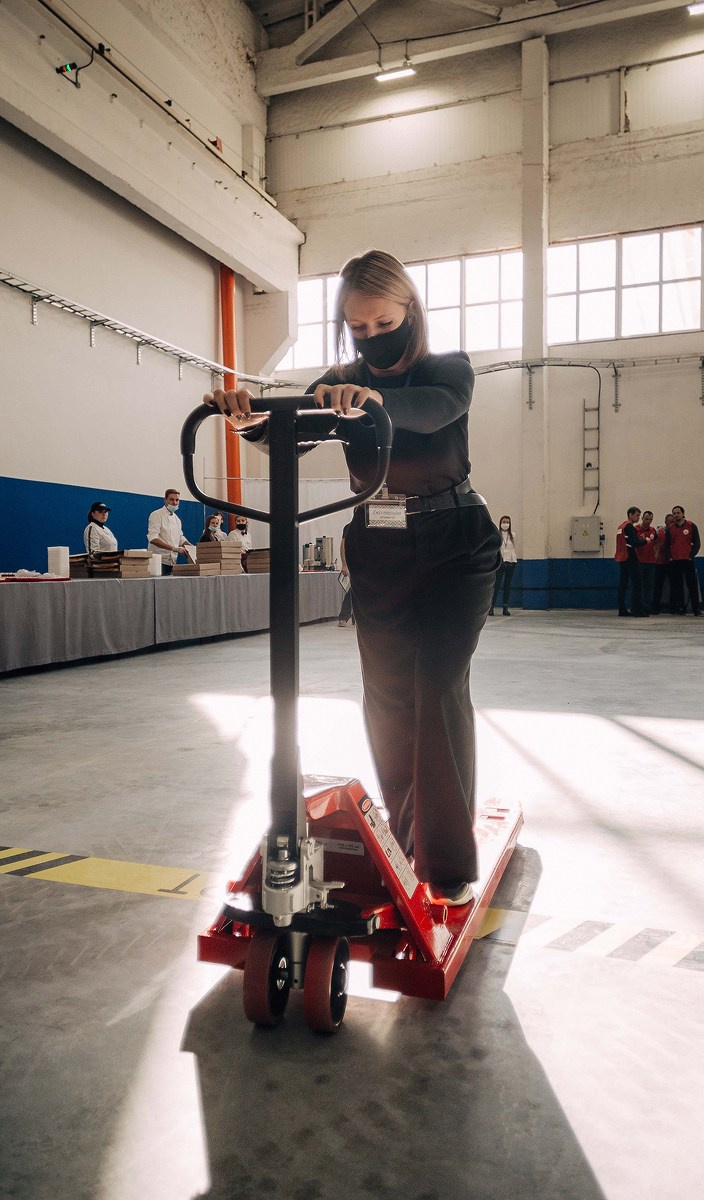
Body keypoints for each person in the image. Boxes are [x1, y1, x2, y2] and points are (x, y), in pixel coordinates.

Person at [206, 249, 500, 907]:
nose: (370, 338)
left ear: (409, 312)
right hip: (378, 545)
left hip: (457, 543)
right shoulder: (337, 379)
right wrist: (248, 416)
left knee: (438, 683)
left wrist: (369, 400)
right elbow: (290, 435)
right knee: (389, 692)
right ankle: (405, 834)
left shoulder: (446, 370)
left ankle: (447, 863)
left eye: (382, 322)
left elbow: (428, 410)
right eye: (357, 327)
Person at [666, 504, 702, 616]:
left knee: (692, 585)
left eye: (678, 513)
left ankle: (696, 609)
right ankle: (681, 608)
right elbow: (666, 545)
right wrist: (670, 557)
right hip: (675, 561)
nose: (676, 515)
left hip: (688, 560)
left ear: (683, 513)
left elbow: (697, 543)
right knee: (678, 586)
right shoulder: (670, 528)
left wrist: (692, 555)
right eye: (674, 513)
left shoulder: (691, 526)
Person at [147, 488, 193, 576]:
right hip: (158, 561)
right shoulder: (156, 515)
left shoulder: (177, 520)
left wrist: (192, 548)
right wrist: (173, 548)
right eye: (171, 499)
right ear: (165, 500)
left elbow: (180, 538)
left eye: (177, 500)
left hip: (172, 562)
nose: (175, 503)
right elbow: (152, 538)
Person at [614, 506, 647, 617]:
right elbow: (634, 543)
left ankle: (622, 609)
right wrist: (645, 541)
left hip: (622, 558)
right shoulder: (629, 527)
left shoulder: (621, 526)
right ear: (631, 514)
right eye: (637, 515)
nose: (638, 518)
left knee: (622, 584)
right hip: (630, 557)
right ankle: (637, 610)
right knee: (637, 584)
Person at [489, 515, 517, 616]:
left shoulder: (513, 535)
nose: (505, 524)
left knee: (507, 586)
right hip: (500, 563)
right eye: (504, 522)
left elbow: (513, 549)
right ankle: (491, 607)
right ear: (501, 523)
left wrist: (512, 561)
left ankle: (505, 607)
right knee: (496, 586)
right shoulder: (497, 535)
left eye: (507, 522)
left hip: (510, 562)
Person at [634, 510, 658, 616]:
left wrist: (656, 554)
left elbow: (657, 543)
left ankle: (647, 607)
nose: (648, 521)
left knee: (649, 586)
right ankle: (638, 607)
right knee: (639, 586)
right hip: (639, 562)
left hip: (651, 562)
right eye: (646, 519)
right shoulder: (636, 529)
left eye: (650, 519)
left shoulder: (653, 531)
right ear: (642, 518)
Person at [650, 513, 675, 615]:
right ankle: (655, 607)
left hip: (671, 562)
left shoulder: (675, 532)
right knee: (657, 586)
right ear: (666, 522)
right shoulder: (660, 532)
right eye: (670, 522)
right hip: (660, 562)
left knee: (674, 586)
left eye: (673, 522)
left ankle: (674, 607)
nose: (672, 524)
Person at [337, 522, 353, 627]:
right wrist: (344, 564)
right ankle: (344, 616)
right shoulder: (349, 527)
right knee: (351, 591)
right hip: (354, 564)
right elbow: (343, 545)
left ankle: (355, 618)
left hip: (365, 563)